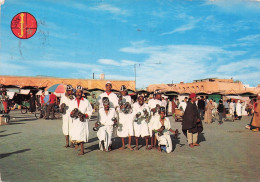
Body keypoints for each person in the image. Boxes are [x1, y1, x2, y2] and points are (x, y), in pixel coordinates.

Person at [70, 85, 93, 155]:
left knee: (81, 135)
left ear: (82, 93)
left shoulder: (86, 101)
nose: (78, 93)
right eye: (77, 92)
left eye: (80, 92)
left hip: (82, 121)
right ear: (75, 93)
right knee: (75, 133)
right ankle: (77, 143)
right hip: (75, 121)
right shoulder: (72, 101)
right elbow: (70, 112)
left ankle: (82, 150)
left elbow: (90, 111)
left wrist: (84, 115)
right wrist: (72, 113)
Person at [117, 85, 134, 150]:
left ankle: (129, 145)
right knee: (122, 130)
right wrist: (120, 107)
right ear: (120, 91)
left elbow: (131, 105)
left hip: (128, 115)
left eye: (124, 91)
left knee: (129, 128)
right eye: (122, 91)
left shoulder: (129, 97)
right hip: (122, 115)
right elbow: (117, 106)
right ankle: (123, 145)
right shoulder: (118, 98)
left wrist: (128, 106)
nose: (123, 92)